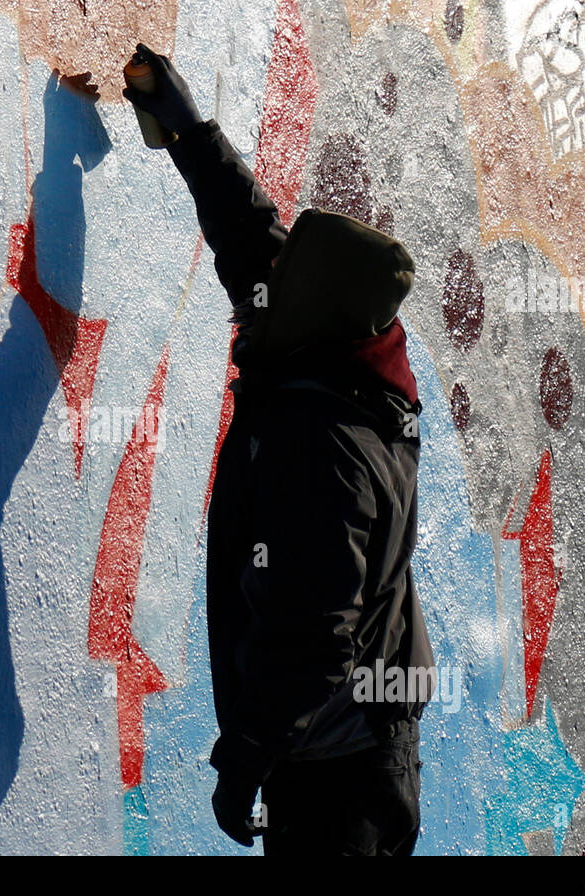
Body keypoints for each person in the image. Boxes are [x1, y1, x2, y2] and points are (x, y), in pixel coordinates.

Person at [123, 43, 436, 855]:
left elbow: (309, 632)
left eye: (285, 286)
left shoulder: (327, 447)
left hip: (339, 774)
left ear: (310, 312)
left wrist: (245, 760)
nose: (264, 294)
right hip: (358, 737)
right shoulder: (342, 349)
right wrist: (178, 118)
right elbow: (249, 232)